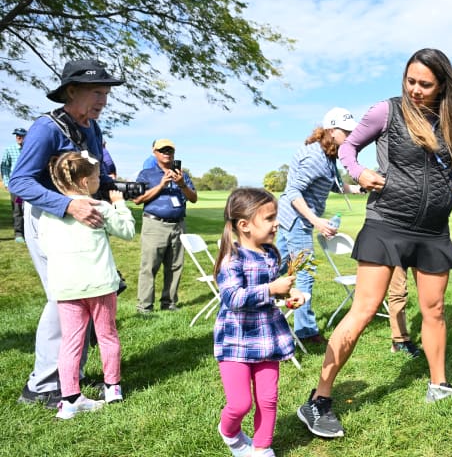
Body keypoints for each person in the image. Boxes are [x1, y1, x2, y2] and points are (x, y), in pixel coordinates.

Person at [297, 48, 452, 438]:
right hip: (387, 223)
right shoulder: (387, 111)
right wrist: (359, 172)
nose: (416, 90)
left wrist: (451, 187)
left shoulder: (451, 120)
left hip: (433, 230)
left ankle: (440, 387)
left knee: (434, 310)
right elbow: (348, 148)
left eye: (425, 84)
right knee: (365, 310)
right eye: (411, 81)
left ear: (442, 85)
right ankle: (319, 400)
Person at [9, 58, 124, 409]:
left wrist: (116, 191)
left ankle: (68, 375)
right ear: (71, 91)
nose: (103, 100)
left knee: (85, 291)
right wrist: (67, 205)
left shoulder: (91, 127)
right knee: (64, 297)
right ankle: (42, 385)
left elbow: (95, 174)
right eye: (96, 92)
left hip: (78, 218)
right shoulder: (46, 128)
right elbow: (20, 181)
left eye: (106, 93)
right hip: (48, 218)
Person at [41, 151, 135, 419]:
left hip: (67, 286)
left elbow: (45, 246)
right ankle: (112, 388)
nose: (100, 180)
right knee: (107, 335)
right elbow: (127, 231)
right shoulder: (100, 207)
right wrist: (119, 204)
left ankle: (70, 398)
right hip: (100, 284)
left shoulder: (51, 212)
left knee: (71, 341)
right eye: (96, 176)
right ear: (84, 181)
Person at [214, 188, 305, 457]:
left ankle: (263, 448)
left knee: (268, 399)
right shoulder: (232, 259)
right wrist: (272, 289)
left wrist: (291, 292)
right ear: (244, 226)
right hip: (236, 340)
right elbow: (232, 297)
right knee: (240, 404)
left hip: (267, 337)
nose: (276, 223)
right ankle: (229, 432)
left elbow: (278, 287)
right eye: (269, 218)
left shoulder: (270, 254)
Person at [275, 107, 362, 345]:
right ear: (332, 131)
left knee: (275, 266)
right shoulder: (314, 157)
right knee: (305, 273)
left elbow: (332, 183)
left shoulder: (328, 154)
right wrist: (316, 221)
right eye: (346, 132)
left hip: (293, 218)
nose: (350, 136)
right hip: (297, 220)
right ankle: (305, 330)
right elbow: (293, 192)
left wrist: (358, 187)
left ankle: (254, 302)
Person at [133, 138, 197, 313]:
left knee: (175, 266)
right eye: (163, 150)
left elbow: (193, 198)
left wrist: (182, 184)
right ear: (155, 153)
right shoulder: (146, 174)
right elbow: (138, 199)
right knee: (149, 266)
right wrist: (161, 185)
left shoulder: (182, 175)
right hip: (155, 224)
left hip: (178, 225)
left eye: (170, 150)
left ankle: (169, 304)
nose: (167, 153)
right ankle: (145, 306)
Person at [388, 266, 422, 357]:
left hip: (421, 251)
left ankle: (432, 338)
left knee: (426, 290)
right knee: (398, 292)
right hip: (396, 253)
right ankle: (399, 341)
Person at [1, 127, 27, 243]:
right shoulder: (9, 149)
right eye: (17, 135)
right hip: (17, 187)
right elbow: (4, 167)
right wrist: (7, 182)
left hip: (30, 185)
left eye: (21, 135)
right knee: (18, 209)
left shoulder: (30, 149)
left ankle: (30, 232)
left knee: (32, 210)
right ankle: (19, 234)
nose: (18, 137)